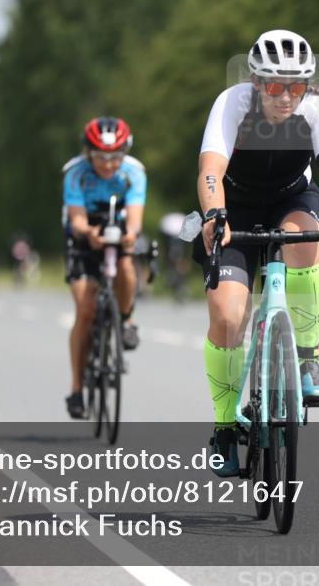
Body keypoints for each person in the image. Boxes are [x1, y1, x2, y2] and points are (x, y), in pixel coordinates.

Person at [194, 29, 319, 476]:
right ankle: (225, 427)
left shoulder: (318, 108)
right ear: (256, 81)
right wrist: (214, 216)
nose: (285, 96)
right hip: (235, 205)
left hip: (291, 198)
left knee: (305, 237)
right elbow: (211, 170)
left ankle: (307, 360)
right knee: (227, 318)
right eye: (274, 85)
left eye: (296, 86)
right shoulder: (232, 104)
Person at [63, 116, 147, 418]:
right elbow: (76, 219)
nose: (108, 165)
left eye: (115, 158)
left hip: (118, 231)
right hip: (84, 237)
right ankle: (76, 389)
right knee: (85, 312)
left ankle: (125, 321)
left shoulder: (134, 173)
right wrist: (89, 235)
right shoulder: (76, 174)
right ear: (89, 153)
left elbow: (136, 217)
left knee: (126, 270)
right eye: (100, 158)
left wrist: (131, 235)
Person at [159, 211, 189, 302]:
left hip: (175, 241)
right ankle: (174, 277)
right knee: (176, 260)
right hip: (176, 240)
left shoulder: (170, 223)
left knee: (178, 260)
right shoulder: (178, 222)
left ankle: (178, 280)